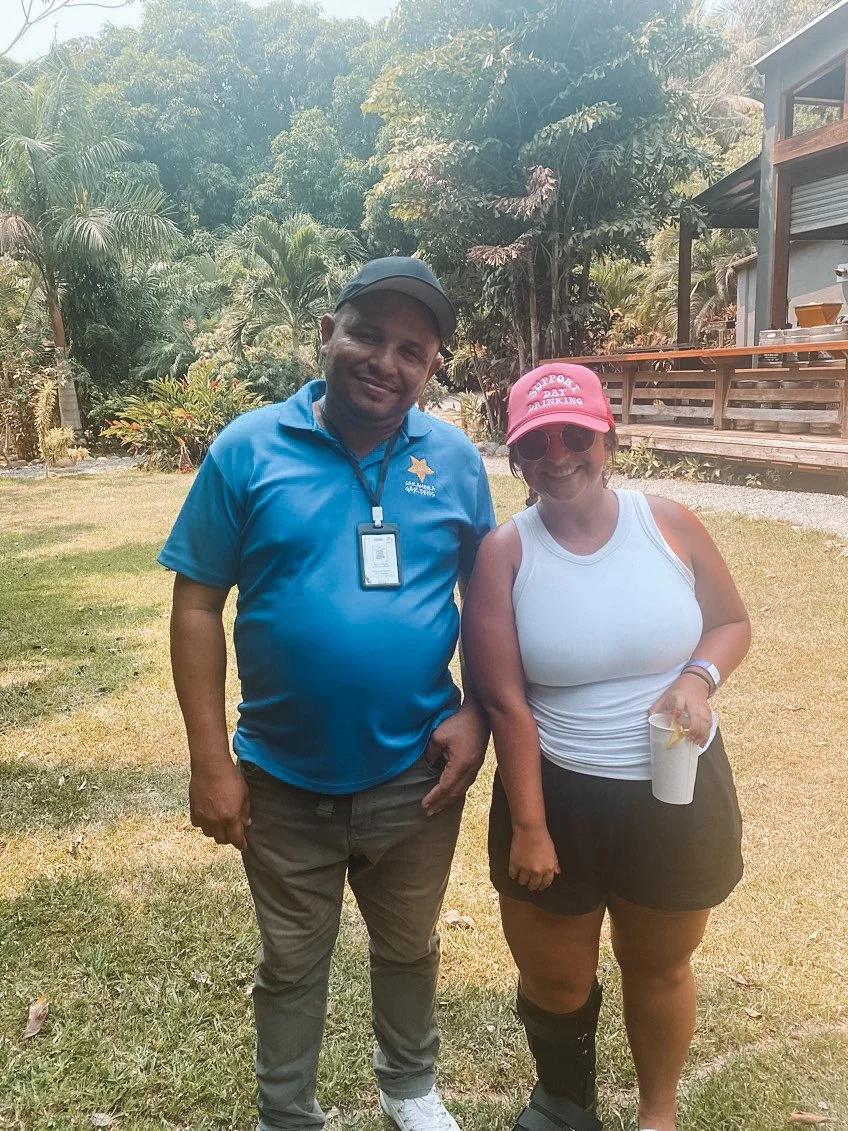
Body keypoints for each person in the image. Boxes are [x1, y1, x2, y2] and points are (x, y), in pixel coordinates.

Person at [159, 257, 495, 1131]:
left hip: (417, 773)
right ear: (326, 333)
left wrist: (478, 711)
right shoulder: (247, 448)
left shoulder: (454, 460)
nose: (386, 361)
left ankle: (409, 1086)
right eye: (368, 335)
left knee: (410, 945)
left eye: (412, 350)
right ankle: (286, 1112)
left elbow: (490, 603)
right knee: (292, 960)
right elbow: (196, 603)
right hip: (280, 777)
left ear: (432, 366)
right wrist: (209, 760)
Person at [462, 362, 750, 1131]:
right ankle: (565, 1105)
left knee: (659, 966)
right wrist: (530, 823)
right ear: (516, 458)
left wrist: (697, 678)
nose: (558, 455)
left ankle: (659, 1114)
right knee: (556, 981)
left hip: (675, 788)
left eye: (575, 435)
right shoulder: (505, 553)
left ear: (608, 439)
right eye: (536, 443)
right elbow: (503, 700)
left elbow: (730, 622)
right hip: (556, 791)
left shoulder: (669, 523)